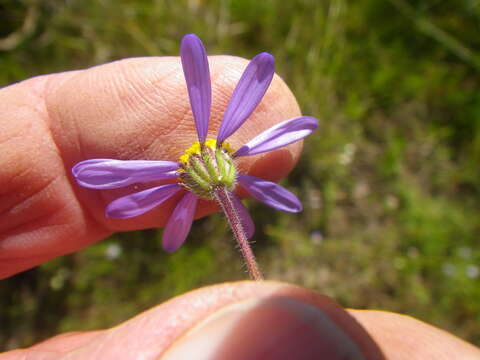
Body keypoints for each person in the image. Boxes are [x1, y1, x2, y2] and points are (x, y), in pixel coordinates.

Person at [0, 56, 479, 360]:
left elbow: (296, 122)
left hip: (218, 165)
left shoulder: (221, 169)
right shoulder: (197, 179)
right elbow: (102, 183)